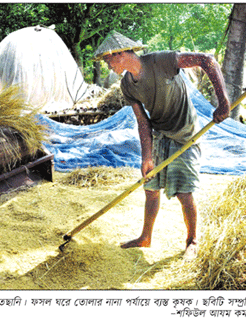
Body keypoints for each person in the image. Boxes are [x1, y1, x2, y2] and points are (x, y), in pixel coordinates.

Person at [94, 31, 230, 259]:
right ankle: (145, 237)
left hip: (186, 134)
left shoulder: (161, 61)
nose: (107, 65)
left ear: (120, 53)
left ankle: (192, 240)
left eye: (108, 59)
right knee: (151, 188)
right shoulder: (127, 85)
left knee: (184, 192)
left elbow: (207, 60)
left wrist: (223, 100)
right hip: (160, 133)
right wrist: (146, 156)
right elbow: (142, 123)